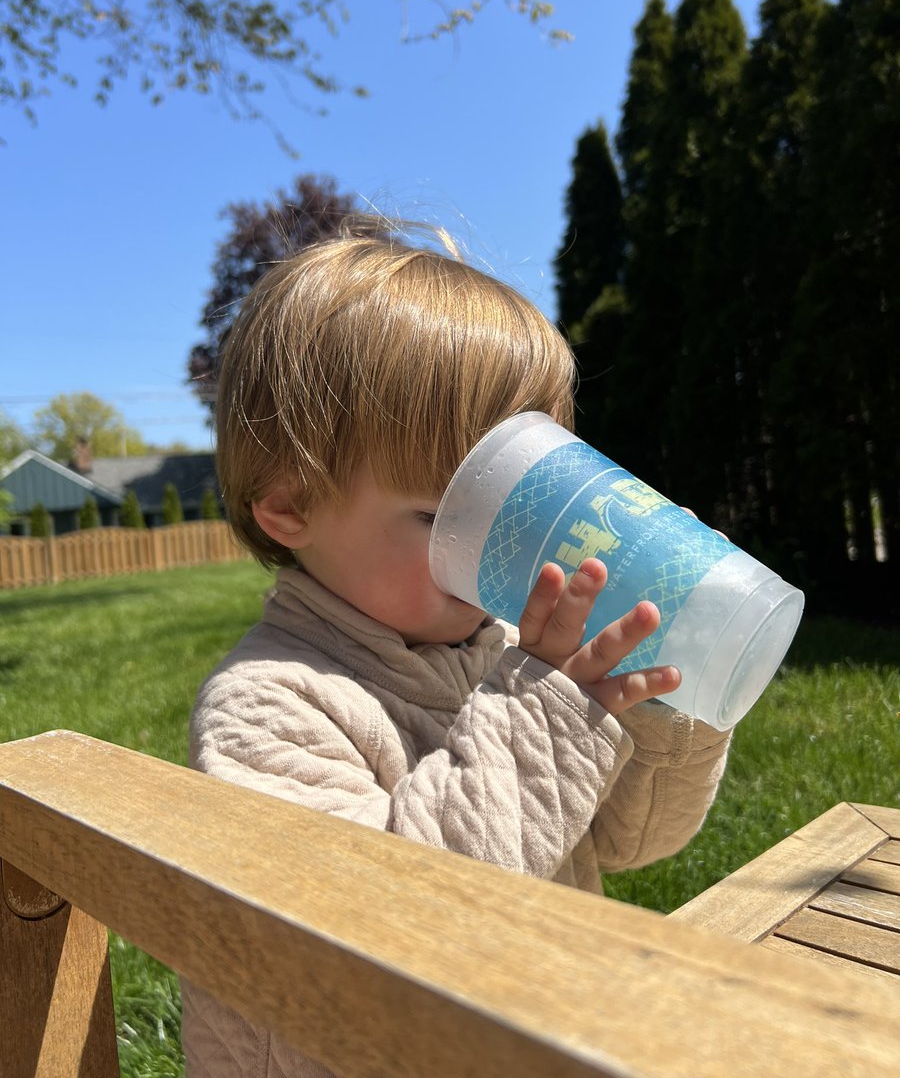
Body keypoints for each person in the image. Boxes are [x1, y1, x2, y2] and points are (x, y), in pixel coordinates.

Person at [180, 220, 732, 1078]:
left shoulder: (505, 649)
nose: (500, 560)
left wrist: (663, 687)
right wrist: (549, 713)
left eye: (518, 517)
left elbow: (632, 841)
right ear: (291, 505)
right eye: (446, 519)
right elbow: (391, 940)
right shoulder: (268, 706)